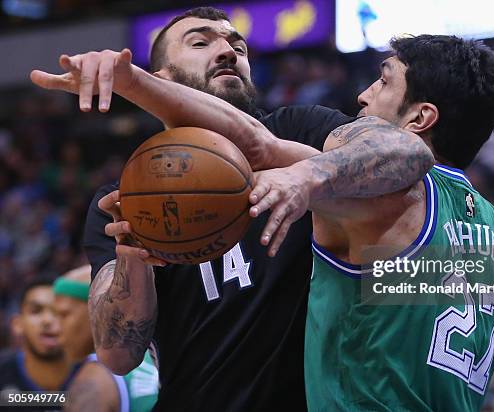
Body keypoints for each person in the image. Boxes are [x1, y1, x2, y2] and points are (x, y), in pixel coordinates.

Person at [31, 6, 433, 410]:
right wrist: (133, 259)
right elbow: (118, 354)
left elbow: (407, 152)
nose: (227, 51)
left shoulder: (296, 130)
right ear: (162, 81)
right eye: (201, 42)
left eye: (236, 45)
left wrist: (305, 177)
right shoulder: (124, 199)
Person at [255, 35, 494, 410]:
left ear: (420, 118)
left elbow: (257, 142)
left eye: (384, 81)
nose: (363, 95)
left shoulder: (386, 198)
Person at [53, 265, 158, 412]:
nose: (56, 328)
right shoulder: (159, 354)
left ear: (95, 308)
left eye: (64, 314)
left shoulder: (94, 381)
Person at [0, 278, 75, 411]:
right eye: (36, 311)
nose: (47, 320)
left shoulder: (98, 375)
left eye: (58, 312)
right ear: (17, 324)